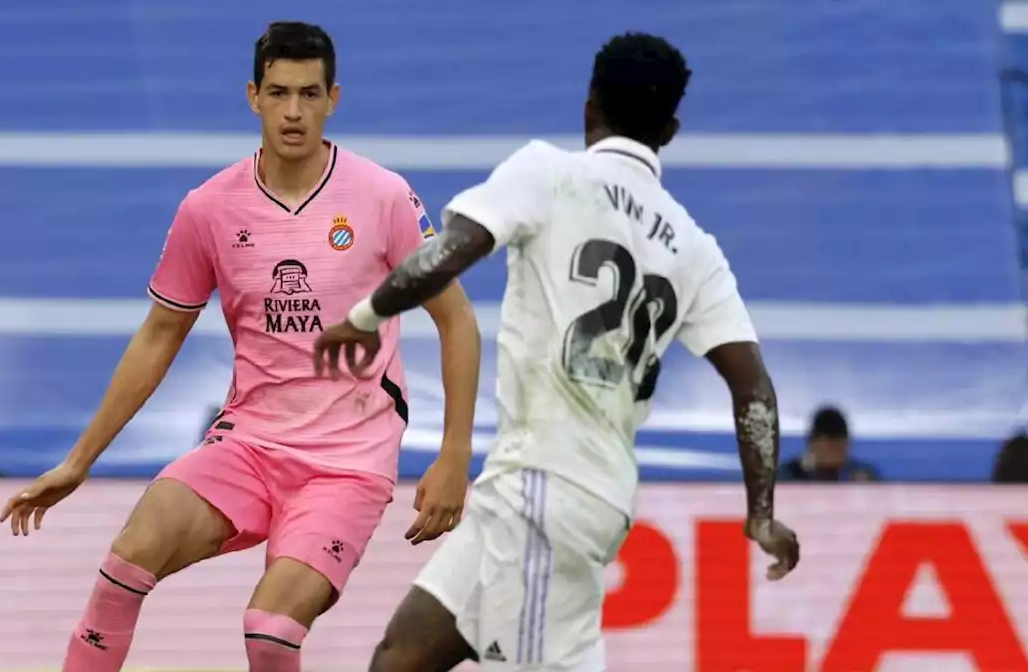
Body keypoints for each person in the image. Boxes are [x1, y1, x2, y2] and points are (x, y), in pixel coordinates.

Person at [0, 21, 481, 672]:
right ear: (252, 95)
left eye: (309, 95)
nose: (293, 112)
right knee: (122, 565)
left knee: (269, 629)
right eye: (279, 93)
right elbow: (158, 336)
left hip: (347, 465)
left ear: (333, 99)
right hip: (246, 448)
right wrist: (79, 460)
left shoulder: (384, 197)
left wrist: (453, 456)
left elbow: (458, 323)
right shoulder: (209, 208)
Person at [314, 32, 800, 671]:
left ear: (588, 106)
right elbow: (754, 390)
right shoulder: (694, 246)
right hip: (548, 486)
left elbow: (450, 251)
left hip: (548, 488)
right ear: (672, 129)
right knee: (399, 656)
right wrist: (761, 514)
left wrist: (365, 314)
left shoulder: (549, 173)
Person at [779, 405, 879, 482]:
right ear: (812, 444)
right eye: (829, 448)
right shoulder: (789, 475)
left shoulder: (860, 476)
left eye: (839, 448)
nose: (833, 455)